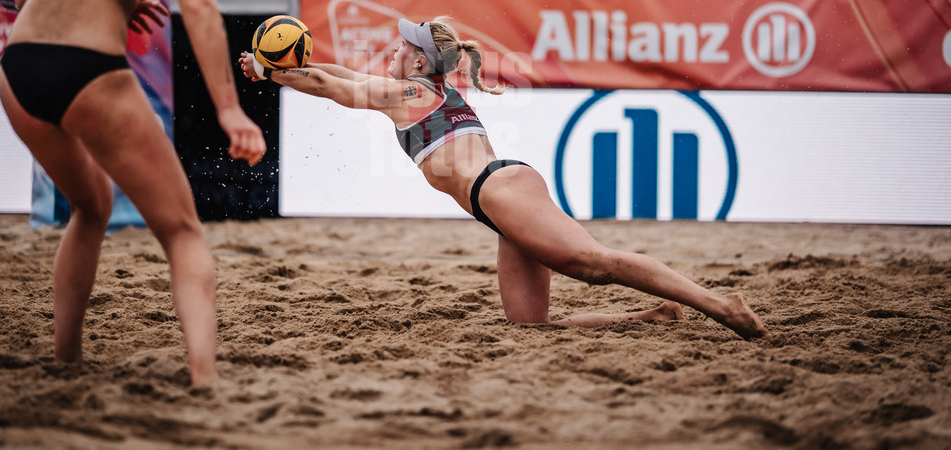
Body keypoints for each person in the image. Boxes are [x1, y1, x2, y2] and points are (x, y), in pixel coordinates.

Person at [237, 18, 770, 340]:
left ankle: (723, 306)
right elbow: (340, 77)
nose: (393, 50)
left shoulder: (410, 95)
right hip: (501, 197)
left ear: (419, 60)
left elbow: (332, 88)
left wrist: (268, 71)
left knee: (594, 264)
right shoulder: (420, 92)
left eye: (402, 46)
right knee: (530, 328)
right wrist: (286, 71)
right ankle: (652, 315)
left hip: (500, 190)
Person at [0, 0, 266, 389]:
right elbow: (197, 8)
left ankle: (65, 360)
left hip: (17, 71)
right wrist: (230, 110)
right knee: (181, 231)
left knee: (90, 205)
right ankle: (203, 380)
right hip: (87, 71)